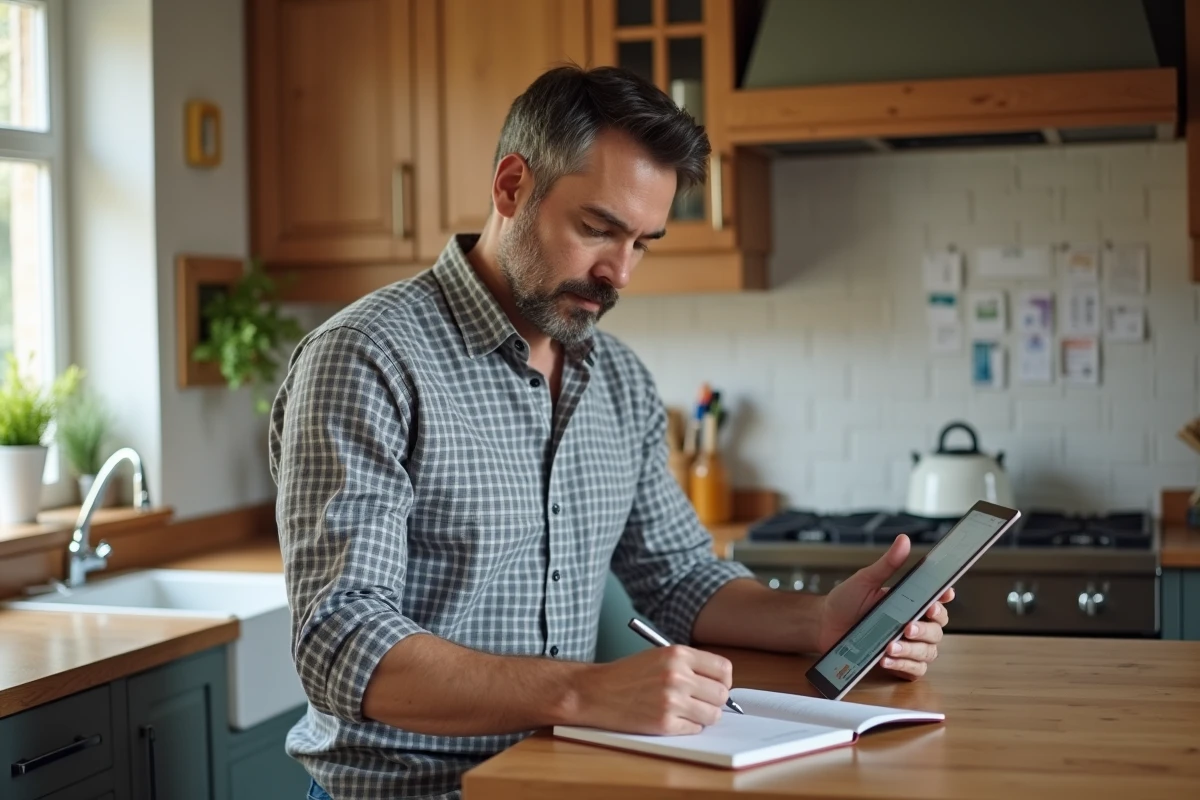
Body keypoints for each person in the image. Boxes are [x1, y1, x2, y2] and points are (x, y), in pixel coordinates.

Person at [268, 64, 952, 800]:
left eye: (642, 242)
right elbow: (341, 642)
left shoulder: (617, 378)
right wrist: (584, 692)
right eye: (598, 229)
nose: (619, 273)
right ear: (512, 187)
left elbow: (678, 575)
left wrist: (819, 620)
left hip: (561, 779)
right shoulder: (366, 358)